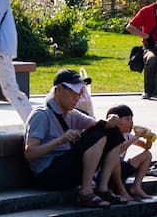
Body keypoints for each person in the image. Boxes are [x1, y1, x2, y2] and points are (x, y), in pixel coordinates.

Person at [25, 70, 120, 208]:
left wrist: (111, 120)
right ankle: (85, 193)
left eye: (80, 92)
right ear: (59, 89)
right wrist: (60, 140)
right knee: (97, 135)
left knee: (112, 132)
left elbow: (99, 126)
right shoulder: (41, 115)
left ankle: (102, 188)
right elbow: (29, 153)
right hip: (48, 174)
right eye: (73, 92)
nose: (77, 97)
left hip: (67, 169)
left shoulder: (72, 114)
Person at [92, 105, 154, 203]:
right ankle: (121, 190)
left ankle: (136, 187)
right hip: (105, 174)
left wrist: (149, 138)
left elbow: (146, 146)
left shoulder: (127, 135)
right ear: (117, 122)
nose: (131, 122)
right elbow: (118, 150)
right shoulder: (110, 134)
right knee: (115, 159)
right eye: (127, 119)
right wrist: (135, 137)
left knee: (147, 155)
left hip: (120, 170)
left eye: (131, 119)